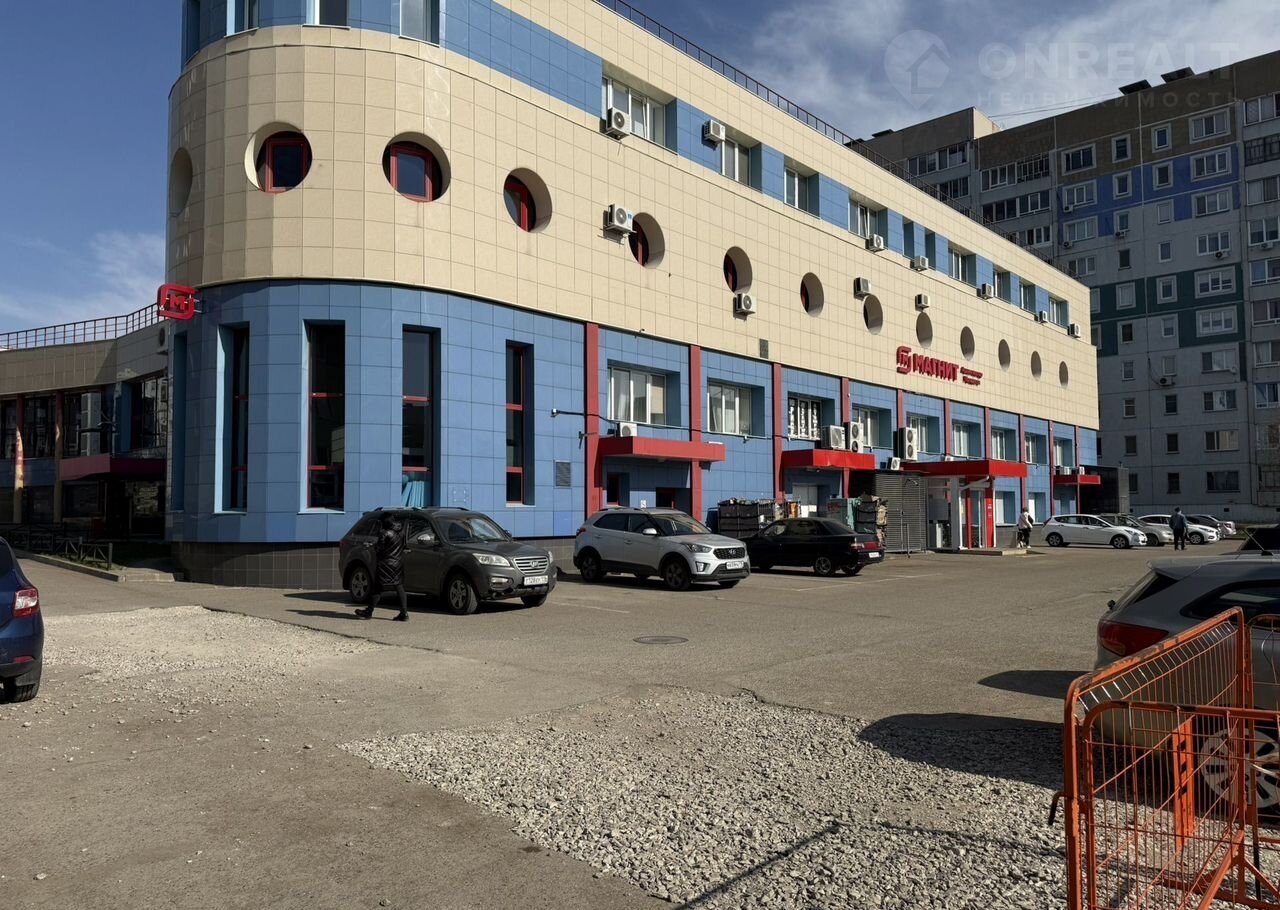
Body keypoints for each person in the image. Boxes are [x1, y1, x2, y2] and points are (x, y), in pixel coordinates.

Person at [358, 515, 409, 621]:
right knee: (399, 587)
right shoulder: (401, 532)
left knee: (378, 587)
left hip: (385, 564)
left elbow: (379, 549)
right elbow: (403, 546)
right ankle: (404, 613)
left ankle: (368, 611)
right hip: (397, 563)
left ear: (385, 523)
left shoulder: (384, 533)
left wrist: (372, 546)